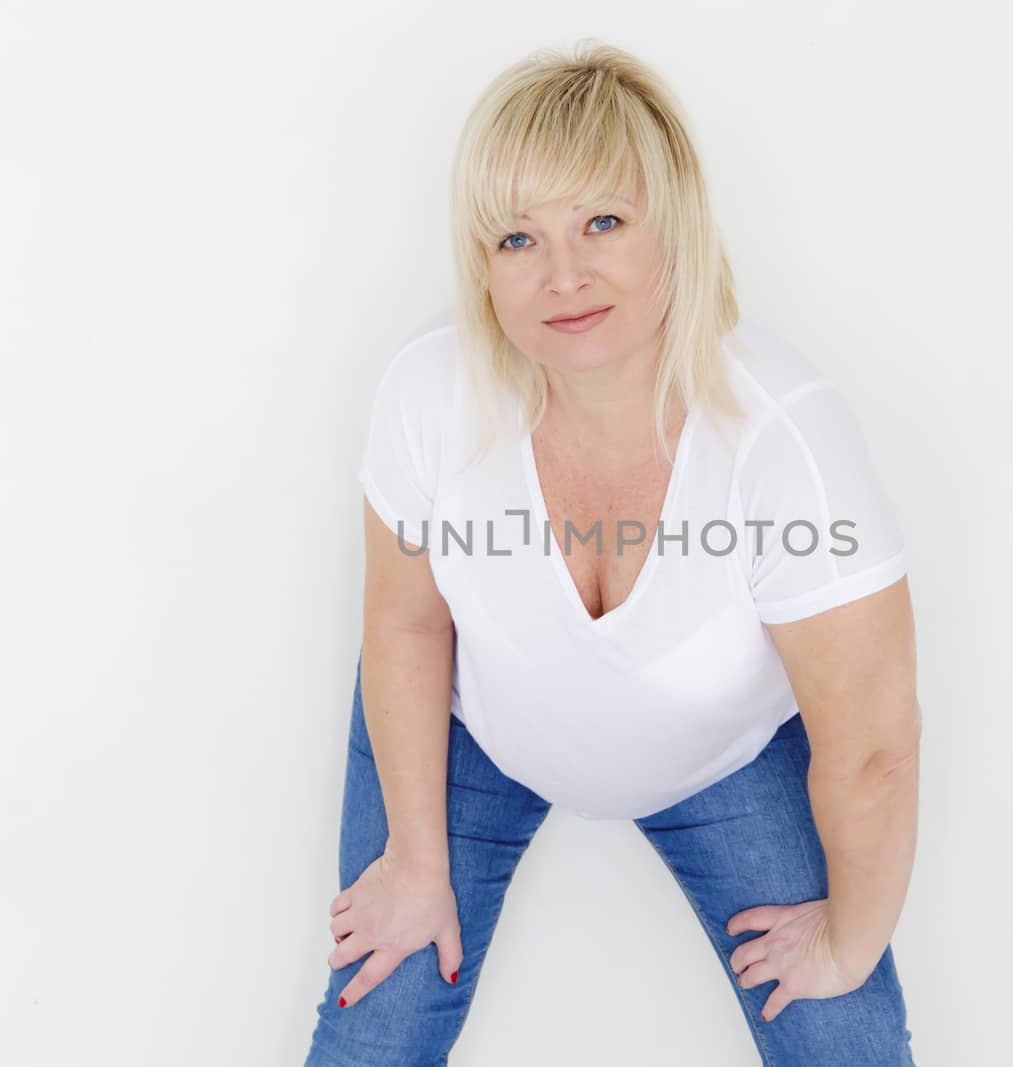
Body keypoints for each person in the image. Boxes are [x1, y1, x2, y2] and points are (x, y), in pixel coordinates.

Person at [304, 39, 921, 1066]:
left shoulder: (783, 439)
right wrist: (416, 856)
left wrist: (851, 943)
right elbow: (407, 620)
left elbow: (874, 755)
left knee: (845, 1038)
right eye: (516, 239)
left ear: (670, 226)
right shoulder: (429, 392)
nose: (564, 276)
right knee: (376, 1020)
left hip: (713, 748)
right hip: (473, 725)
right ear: (481, 264)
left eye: (602, 221)